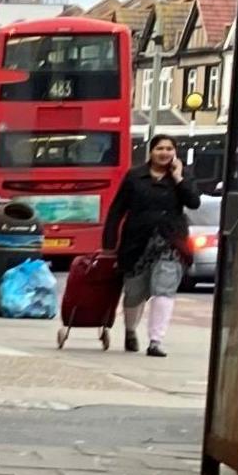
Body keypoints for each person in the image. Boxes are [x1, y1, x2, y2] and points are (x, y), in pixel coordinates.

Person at [101, 137, 202, 357]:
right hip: (137, 242)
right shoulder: (134, 176)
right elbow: (117, 210)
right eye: (159, 148)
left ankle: (155, 340)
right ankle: (130, 330)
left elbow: (193, 202)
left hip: (170, 242)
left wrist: (178, 177)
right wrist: (108, 243)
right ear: (151, 152)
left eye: (169, 149)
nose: (164, 153)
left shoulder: (181, 177)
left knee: (164, 290)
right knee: (134, 293)